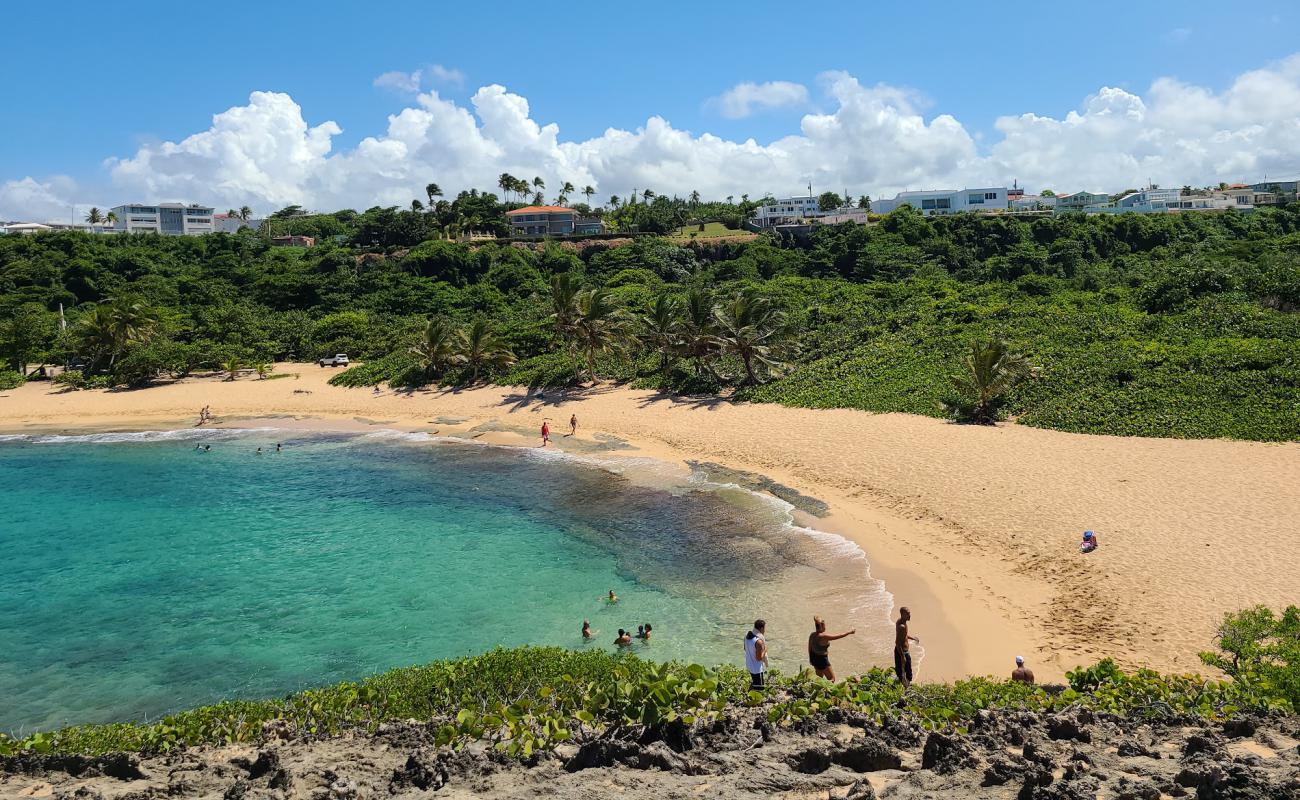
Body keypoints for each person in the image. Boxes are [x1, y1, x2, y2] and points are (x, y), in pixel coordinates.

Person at [808, 616, 856, 681]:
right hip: (822, 660)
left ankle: (818, 690)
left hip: (814, 658)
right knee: (832, 679)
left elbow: (809, 647)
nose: (825, 627)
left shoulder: (812, 635)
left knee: (819, 679)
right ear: (822, 626)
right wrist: (849, 632)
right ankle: (827, 690)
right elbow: (839, 636)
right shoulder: (823, 636)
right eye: (825, 626)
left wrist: (811, 659)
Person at [894, 607, 920, 688]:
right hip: (902, 652)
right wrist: (902, 656)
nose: (909, 615)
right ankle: (906, 688)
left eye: (909, 613)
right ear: (902, 615)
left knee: (904, 672)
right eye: (907, 614)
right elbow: (897, 642)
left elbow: (904, 636)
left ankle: (905, 687)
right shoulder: (902, 626)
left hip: (902, 652)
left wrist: (912, 638)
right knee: (905, 673)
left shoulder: (901, 622)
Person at [744, 619, 768, 690]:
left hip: (749, 665)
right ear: (761, 628)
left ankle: (749, 696)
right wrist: (765, 650)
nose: (764, 631)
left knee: (755, 683)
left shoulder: (747, 636)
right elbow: (759, 658)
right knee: (760, 689)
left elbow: (745, 649)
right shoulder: (759, 642)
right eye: (764, 628)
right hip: (757, 669)